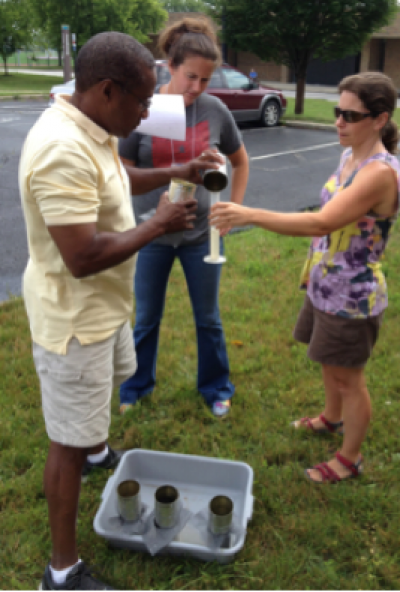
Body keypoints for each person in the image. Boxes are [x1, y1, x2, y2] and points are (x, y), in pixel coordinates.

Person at [19, 31, 221, 592]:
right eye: (141, 99)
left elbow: (118, 176)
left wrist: (177, 171)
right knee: (65, 440)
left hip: (103, 309)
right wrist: (156, 225)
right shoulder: (61, 148)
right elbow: (81, 257)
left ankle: (98, 449)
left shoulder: (93, 125)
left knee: (95, 408)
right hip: (74, 322)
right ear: (107, 90)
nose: (149, 111)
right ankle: (61, 572)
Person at [211, 72, 400, 482]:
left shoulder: (380, 173)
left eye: (351, 115)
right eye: (337, 112)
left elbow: (321, 223)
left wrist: (249, 214)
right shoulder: (350, 154)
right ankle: (331, 419)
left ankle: (349, 460)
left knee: (349, 378)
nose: (339, 122)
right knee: (330, 364)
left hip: (352, 296)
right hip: (325, 285)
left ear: (379, 118)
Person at [118, 17, 249, 418]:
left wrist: (232, 210)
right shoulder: (144, 109)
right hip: (151, 234)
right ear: (170, 66)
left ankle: (216, 387)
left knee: (208, 319)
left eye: (205, 80)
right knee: (146, 318)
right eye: (190, 77)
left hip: (201, 236)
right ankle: (136, 387)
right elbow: (120, 175)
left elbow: (240, 162)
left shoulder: (215, 110)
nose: (197, 88)